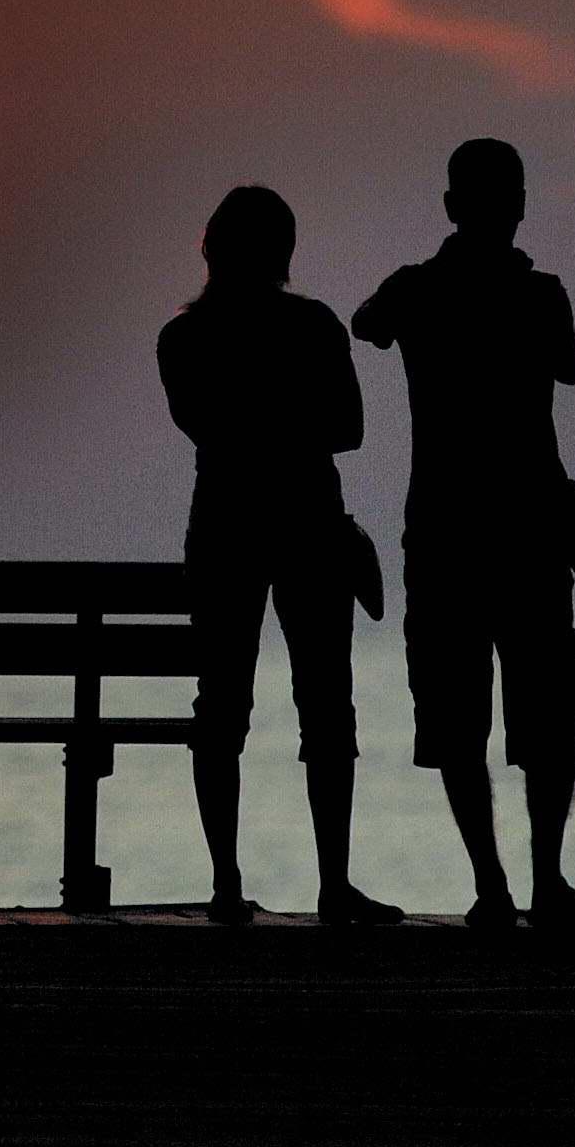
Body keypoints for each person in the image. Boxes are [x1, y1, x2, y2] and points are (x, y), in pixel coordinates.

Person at [352, 139, 575, 933]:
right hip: (527, 529)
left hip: (443, 530)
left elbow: (366, 324)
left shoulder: (414, 290)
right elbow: (569, 368)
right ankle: (543, 883)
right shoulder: (540, 297)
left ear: (450, 206)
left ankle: (493, 888)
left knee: (456, 714)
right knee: (545, 711)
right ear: (518, 206)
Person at [157, 186, 402, 927]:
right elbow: (348, 429)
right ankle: (333, 885)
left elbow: (206, 428)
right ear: (284, 252)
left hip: (225, 523)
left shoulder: (182, 338)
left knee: (221, 707)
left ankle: (225, 884)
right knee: (326, 708)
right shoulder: (313, 326)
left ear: (210, 248)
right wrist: (293, 421)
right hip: (307, 521)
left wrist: (252, 423)